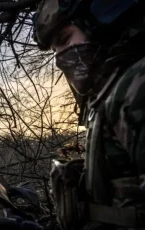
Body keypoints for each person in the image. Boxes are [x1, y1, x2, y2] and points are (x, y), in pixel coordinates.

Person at [32, 0, 145, 229]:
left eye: (65, 40)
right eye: (56, 51)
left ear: (101, 21)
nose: (60, 59)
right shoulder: (111, 92)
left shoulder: (136, 86)